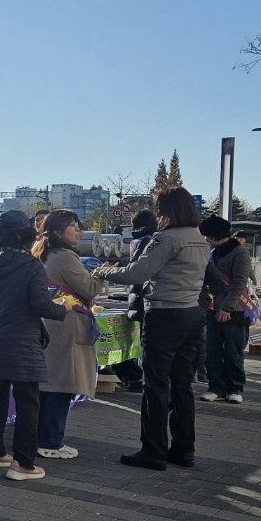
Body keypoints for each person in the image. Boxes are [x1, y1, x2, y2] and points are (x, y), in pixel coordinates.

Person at [94, 187, 208, 471]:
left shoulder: (165, 239)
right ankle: (184, 449)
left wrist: (104, 271)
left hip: (165, 315)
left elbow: (137, 274)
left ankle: (153, 451)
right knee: (182, 386)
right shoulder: (199, 239)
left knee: (156, 385)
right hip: (192, 313)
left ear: (166, 210)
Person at [0, 211, 66, 480]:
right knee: (28, 402)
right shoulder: (31, 266)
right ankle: (23, 463)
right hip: (21, 343)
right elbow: (39, 305)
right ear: (27, 235)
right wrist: (62, 309)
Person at [34, 210, 106, 459]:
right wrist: (102, 273)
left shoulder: (46, 253)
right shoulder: (66, 257)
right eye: (72, 226)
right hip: (67, 325)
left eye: (78, 226)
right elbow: (88, 287)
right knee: (63, 384)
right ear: (56, 232)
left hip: (53, 324)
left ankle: (42, 438)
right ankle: (51, 442)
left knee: (49, 384)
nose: (78, 230)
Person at [198, 215, 252, 403]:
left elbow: (239, 283)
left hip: (235, 310)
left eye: (207, 236)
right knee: (212, 351)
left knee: (233, 351)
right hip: (213, 309)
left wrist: (227, 307)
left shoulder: (240, 253)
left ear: (214, 236)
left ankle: (235, 388)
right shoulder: (212, 253)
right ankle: (216, 387)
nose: (205, 240)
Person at [109, 209, 157, 394]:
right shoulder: (152, 240)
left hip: (141, 298)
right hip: (146, 298)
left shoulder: (143, 241)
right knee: (141, 343)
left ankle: (139, 379)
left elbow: (134, 272)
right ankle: (140, 379)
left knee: (140, 343)